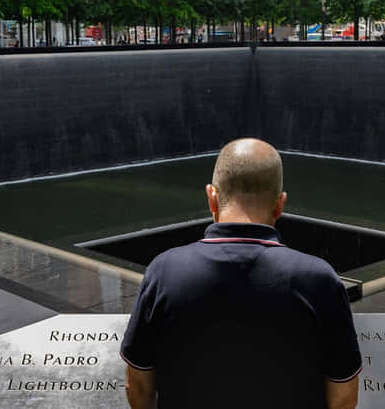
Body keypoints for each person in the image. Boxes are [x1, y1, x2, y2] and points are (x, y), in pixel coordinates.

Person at [121, 138, 361, 409]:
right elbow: (343, 398)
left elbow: (138, 386)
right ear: (280, 204)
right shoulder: (320, 280)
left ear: (212, 197)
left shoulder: (163, 273)